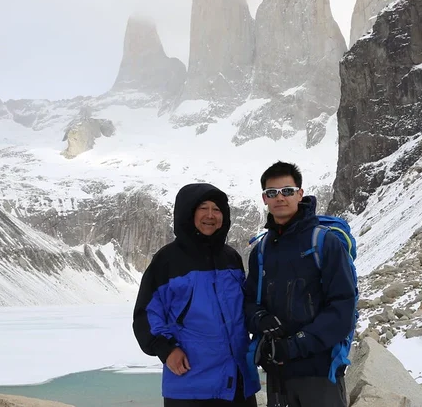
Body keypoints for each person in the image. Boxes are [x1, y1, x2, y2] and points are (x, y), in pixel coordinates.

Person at [133, 183, 260, 407]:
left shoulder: (231, 258)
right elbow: (147, 314)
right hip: (190, 386)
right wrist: (166, 349)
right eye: (203, 208)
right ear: (188, 212)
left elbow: (244, 310)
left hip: (239, 382)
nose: (211, 215)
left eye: (217, 209)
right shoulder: (167, 261)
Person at [244, 162, 356, 407]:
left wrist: (295, 346)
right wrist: (260, 319)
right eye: (272, 193)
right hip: (278, 372)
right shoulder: (261, 251)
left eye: (287, 191)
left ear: (300, 194)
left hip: (319, 371)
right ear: (264, 199)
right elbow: (248, 301)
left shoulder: (324, 243)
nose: (280, 198)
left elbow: (343, 308)